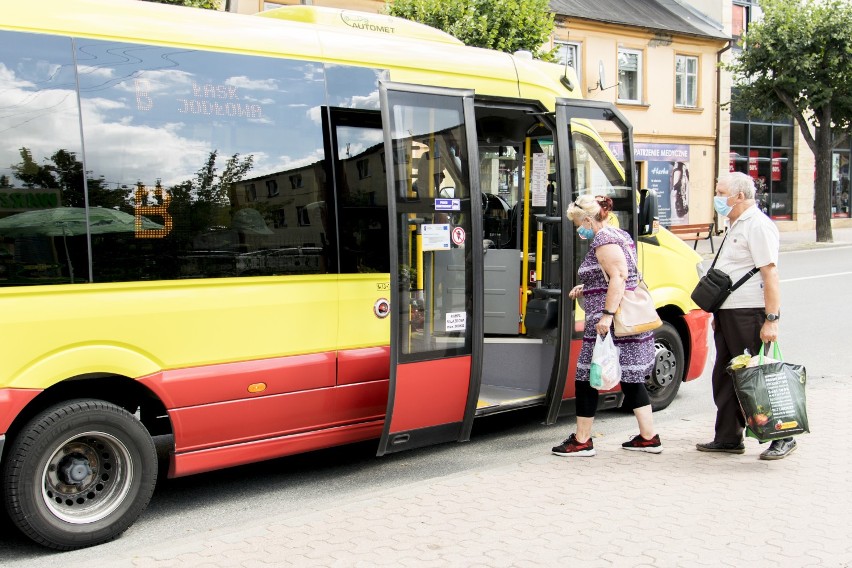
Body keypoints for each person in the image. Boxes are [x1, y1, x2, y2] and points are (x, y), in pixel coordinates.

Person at [551, 194, 661, 457]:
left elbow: (619, 276)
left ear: (589, 219)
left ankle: (582, 440)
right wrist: (587, 288)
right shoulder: (619, 234)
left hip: (609, 322)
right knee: (632, 378)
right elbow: (612, 275)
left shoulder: (604, 239)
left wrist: (607, 315)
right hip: (622, 318)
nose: (579, 229)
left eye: (579, 223)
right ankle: (648, 437)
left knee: (587, 377)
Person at [696, 171, 793, 460]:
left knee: (757, 374)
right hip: (728, 312)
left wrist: (771, 319)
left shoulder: (758, 225)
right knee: (725, 376)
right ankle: (728, 437)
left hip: (749, 312)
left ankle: (783, 436)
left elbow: (770, 273)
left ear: (739, 196)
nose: (716, 197)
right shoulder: (735, 223)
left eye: (721, 192)